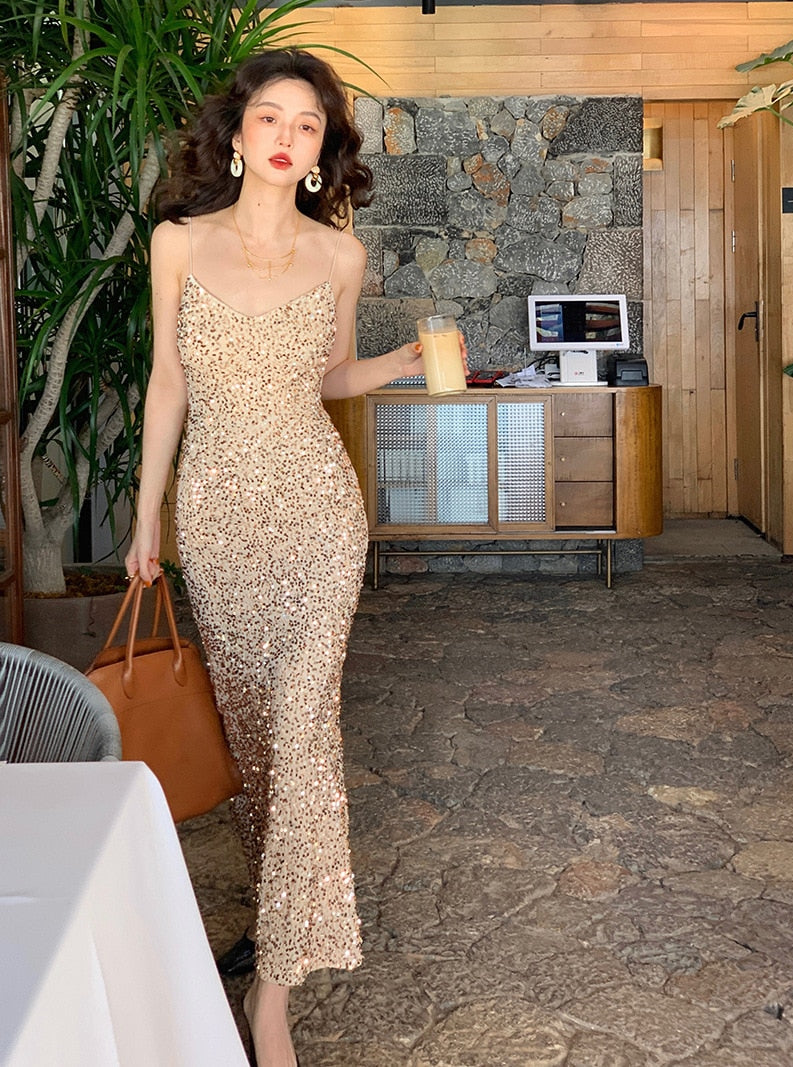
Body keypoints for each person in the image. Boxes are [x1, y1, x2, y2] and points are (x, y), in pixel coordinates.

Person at [124, 47, 465, 1067]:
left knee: (306, 723)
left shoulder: (339, 257)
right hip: (219, 513)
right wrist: (147, 517)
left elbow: (327, 378)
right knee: (259, 739)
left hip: (318, 514)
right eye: (269, 117)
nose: (285, 137)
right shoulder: (178, 242)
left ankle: (270, 994)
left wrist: (401, 361)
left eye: (306, 124)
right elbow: (167, 384)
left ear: (323, 151)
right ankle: (279, 913)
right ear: (236, 134)